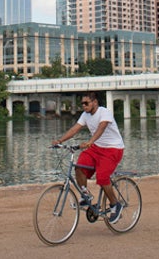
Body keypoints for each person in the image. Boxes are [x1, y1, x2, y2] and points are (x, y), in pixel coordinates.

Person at [51, 92, 125, 224]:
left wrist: (90, 141)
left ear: (95, 102)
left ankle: (115, 205)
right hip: (96, 147)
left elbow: (101, 128)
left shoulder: (104, 112)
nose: (84, 106)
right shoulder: (85, 115)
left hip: (113, 149)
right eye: (82, 104)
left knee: (102, 177)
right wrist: (60, 140)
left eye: (86, 103)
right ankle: (86, 194)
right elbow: (75, 129)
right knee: (79, 167)